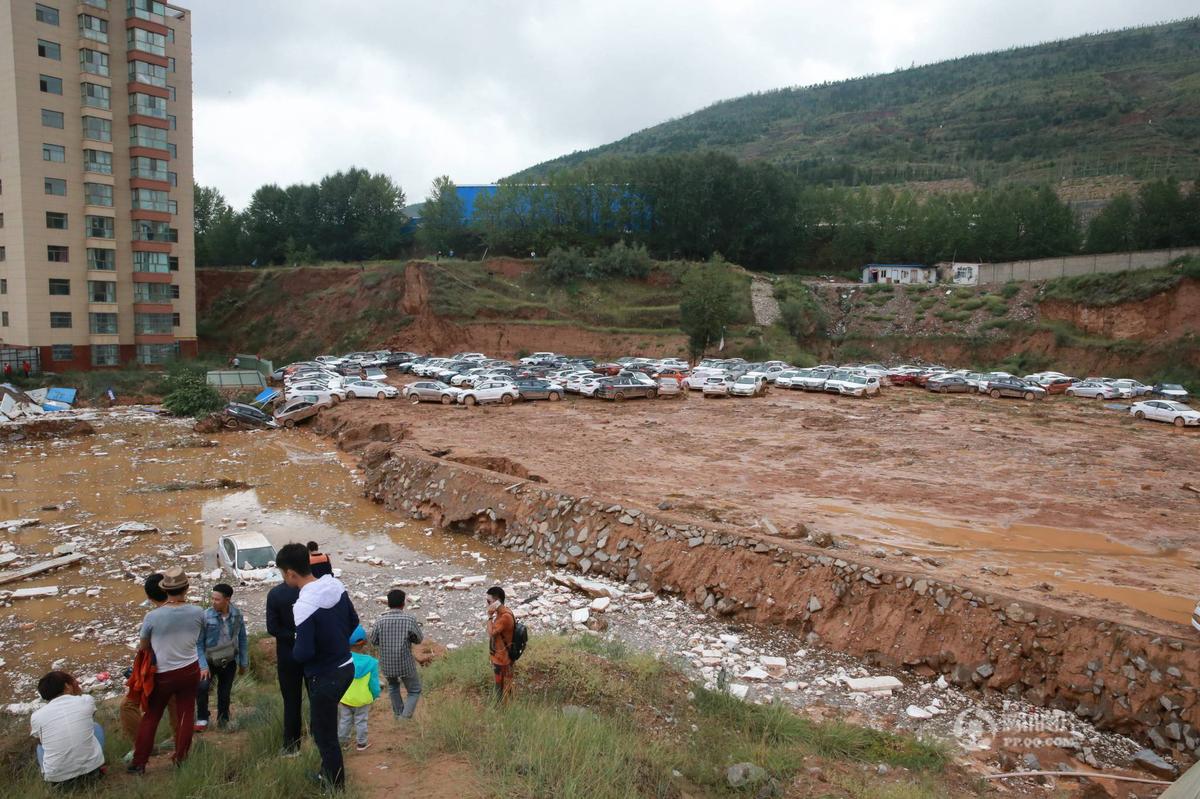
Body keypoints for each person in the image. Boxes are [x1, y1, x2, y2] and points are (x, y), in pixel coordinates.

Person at [277, 542, 359, 790]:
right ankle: (327, 773)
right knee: (325, 726)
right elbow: (353, 621)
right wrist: (334, 641)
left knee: (325, 735)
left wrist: (294, 642)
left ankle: (335, 786)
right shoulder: (335, 585)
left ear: (290, 573)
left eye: (283, 573)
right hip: (346, 665)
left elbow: (304, 652)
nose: (284, 578)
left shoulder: (303, 606)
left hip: (324, 676)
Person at [128, 566, 204, 774]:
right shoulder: (198, 612)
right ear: (186, 588)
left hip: (163, 674)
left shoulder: (153, 617)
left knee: (151, 716)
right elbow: (200, 636)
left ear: (164, 589)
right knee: (186, 714)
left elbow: (143, 646)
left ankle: (139, 763)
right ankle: (181, 758)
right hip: (190, 669)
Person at [120, 574, 180, 761]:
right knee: (176, 708)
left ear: (150, 597)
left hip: (155, 672)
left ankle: (143, 747)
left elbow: (145, 647)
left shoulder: (152, 617)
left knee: (128, 706)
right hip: (182, 668)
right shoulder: (187, 611)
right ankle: (182, 745)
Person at [30, 671, 105, 785]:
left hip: (58, 780)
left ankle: (52, 774)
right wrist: (77, 691)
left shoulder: (36, 716)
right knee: (95, 726)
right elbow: (89, 718)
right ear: (67, 686)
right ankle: (98, 765)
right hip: (93, 772)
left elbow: (40, 741)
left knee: (40, 747)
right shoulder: (86, 701)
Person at [195, 583, 248, 732]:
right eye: (212, 598)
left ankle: (223, 719)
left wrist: (243, 662)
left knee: (225, 692)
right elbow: (198, 644)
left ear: (227, 600)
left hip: (229, 659)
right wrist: (203, 666)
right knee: (202, 688)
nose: (213, 601)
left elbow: (242, 639)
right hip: (209, 660)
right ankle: (202, 718)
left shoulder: (237, 615)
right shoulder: (206, 616)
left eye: (217, 599)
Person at [369, 589, 423, 720]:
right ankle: (404, 718)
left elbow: (373, 641)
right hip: (405, 663)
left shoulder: (380, 621)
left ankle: (398, 714)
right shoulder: (409, 619)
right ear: (403, 603)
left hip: (387, 664)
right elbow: (419, 639)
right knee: (414, 690)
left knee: (393, 686)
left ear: (388, 603)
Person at [266, 574, 304, 756]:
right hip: (313, 653)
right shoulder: (311, 591)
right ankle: (319, 741)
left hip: (288, 655)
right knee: (318, 698)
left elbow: (272, 628)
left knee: (291, 702)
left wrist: (292, 636)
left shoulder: (276, 594)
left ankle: (291, 746)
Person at [337, 625, 379, 751]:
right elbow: (373, 683)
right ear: (364, 643)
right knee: (361, 721)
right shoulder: (371, 662)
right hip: (362, 699)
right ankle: (362, 744)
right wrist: (375, 694)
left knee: (344, 720)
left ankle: (343, 743)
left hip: (345, 698)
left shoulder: (341, 659)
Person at [486, 586, 515, 704]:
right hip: (498, 656)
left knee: (502, 687)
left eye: (489, 601)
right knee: (501, 685)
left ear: (497, 601)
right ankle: (502, 706)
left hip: (503, 659)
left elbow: (491, 632)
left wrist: (489, 617)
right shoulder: (502, 612)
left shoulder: (505, 617)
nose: (487, 604)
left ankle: (503, 709)